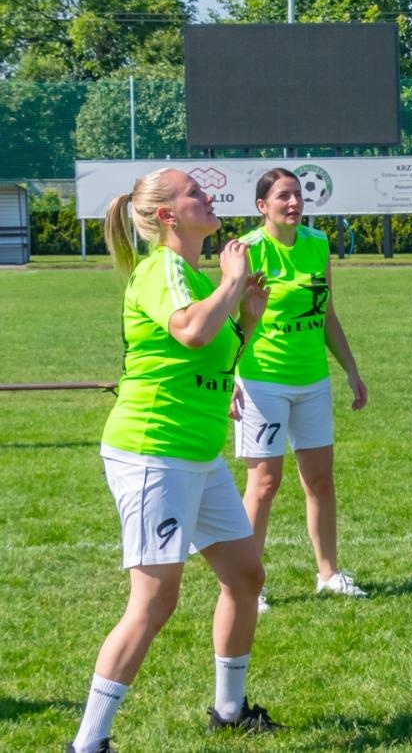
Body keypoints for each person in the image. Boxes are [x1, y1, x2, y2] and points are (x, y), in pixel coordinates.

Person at [68, 169, 280, 752]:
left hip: (196, 453)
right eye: (195, 193)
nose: (208, 198)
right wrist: (233, 283)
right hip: (153, 452)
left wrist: (248, 317)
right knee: (155, 600)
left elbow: (212, 348)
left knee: (244, 575)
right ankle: (88, 744)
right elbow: (189, 332)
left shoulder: (188, 274)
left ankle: (230, 711)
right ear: (167, 216)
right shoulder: (161, 268)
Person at [232, 169, 369, 610]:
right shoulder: (246, 251)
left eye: (297, 195)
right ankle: (247, 585)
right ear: (262, 207)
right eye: (282, 196)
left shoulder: (317, 244)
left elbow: (325, 311)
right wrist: (230, 376)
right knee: (264, 483)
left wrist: (349, 368)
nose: (293, 203)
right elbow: (230, 320)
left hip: (312, 380)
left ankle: (328, 573)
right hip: (262, 380)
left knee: (320, 480)